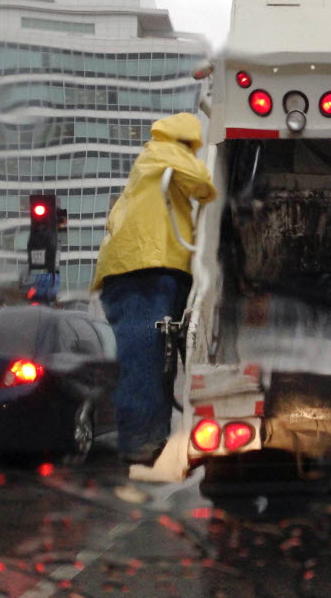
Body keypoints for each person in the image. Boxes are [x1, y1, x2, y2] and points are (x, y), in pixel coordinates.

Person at [92, 112, 216, 465]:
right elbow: (202, 183)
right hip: (144, 268)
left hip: (144, 270)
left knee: (154, 360)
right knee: (145, 360)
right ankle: (139, 442)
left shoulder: (153, 160)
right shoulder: (163, 151)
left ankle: (150, 439)